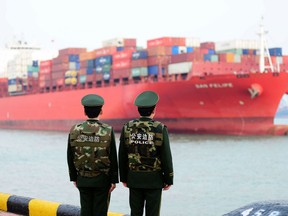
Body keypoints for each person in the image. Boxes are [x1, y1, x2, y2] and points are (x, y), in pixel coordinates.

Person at [118, 90, 174, 216]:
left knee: (135, 212)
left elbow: (122, 154)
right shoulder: (160, 128)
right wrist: (168, 178)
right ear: (154, 110)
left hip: (134, 178)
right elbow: (166, 156)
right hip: (154, 180)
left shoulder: (127, 127)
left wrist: (124, 177)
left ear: (138, 110)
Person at [67, 94, 119, 216]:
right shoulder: (108, 130)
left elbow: (70, 155)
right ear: (101, 111)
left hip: (83, 178)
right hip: (102, 180)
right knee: (100, 211)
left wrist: (74, 177)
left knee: (85, 210)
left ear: (84, 112)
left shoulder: (74, 129)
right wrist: (113, 180)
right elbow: (113, 157)